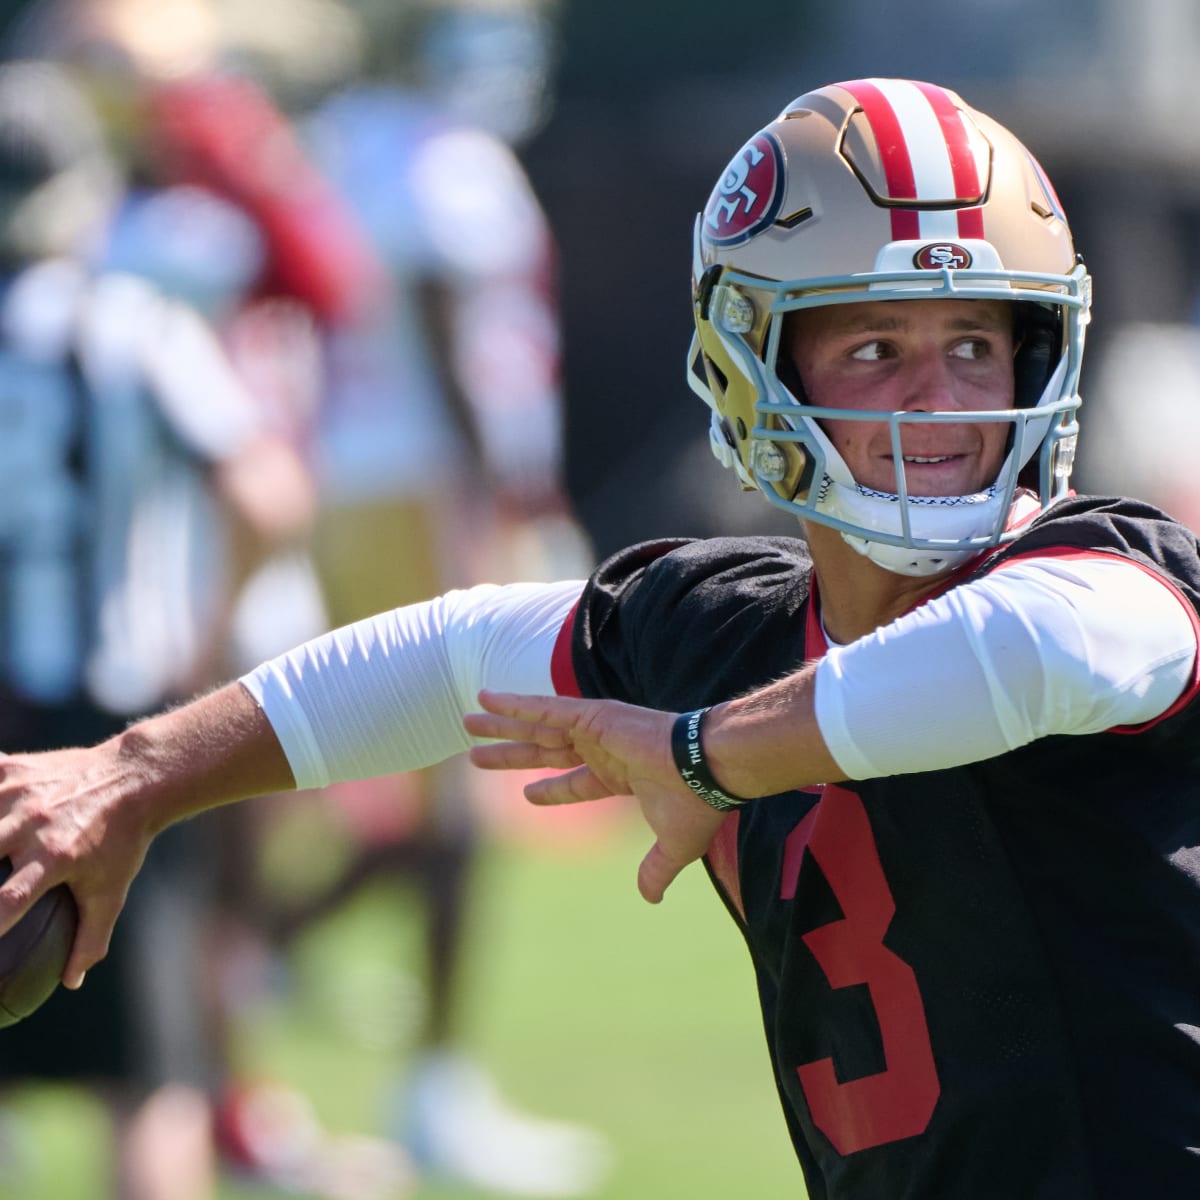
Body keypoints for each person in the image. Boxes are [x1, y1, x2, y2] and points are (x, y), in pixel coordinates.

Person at [1, 76, 1199, 1199]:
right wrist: (133, 779)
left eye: (978, 344)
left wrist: (700, 755)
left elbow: (1035, 655)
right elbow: (448, 657)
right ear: (756, 361)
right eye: (877, 348)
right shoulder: (727, 631)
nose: (940, 402)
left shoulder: (1106, 573)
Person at [0, 56, 317, 1200]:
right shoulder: (132, 325)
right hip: (97, 727)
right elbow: (269, 491)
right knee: (152, 1076)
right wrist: (204, 639)